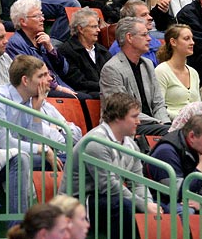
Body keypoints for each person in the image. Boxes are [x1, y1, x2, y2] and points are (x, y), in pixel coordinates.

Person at [0, 56, 64, 217]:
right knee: (21, 159)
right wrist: (42, 149)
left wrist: (36, 112)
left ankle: (65, 217)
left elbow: (34, 141)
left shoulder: (28, 101)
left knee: (67, 157)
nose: (47, 80)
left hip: (8, 158)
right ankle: (19, 227)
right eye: (41, 76)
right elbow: (3, 143)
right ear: (25, 80)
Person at [61, 93, 159, 239]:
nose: (138, 121)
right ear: (118, 117)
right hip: (77, 201)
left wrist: (148, 204)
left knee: (163, 208)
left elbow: (138, 182)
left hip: (102, 198)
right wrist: (142, 205)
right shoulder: (96, 142)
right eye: (134, 116)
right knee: (122, 206)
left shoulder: (131, 145)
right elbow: (108, 186)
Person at [148, 115, 202, 215]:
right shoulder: (166, 151)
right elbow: (177, 193)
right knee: (186, 211)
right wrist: (201, 169)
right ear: (192, 136)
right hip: (165, 202)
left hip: (201, 199)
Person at [100, 17, 171, 135]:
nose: (149, 39)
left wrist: (166, 123)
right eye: (144, 35)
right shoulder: (112, 69)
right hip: (123, 126)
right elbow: (122, 110)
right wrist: (158, 123)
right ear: (129, 37)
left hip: (153, 125)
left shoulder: (147, 64)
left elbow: (158, 103)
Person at [6, 0, 80, 98]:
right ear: (23, 21)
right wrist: (58, 88)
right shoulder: (15, 44)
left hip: (58, 86)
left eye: (42, 15)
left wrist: (51, 49)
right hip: (40, 91)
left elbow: (64, 70)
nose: (42, 19)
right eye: (37, 16)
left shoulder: (42, 40)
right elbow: (30, 75)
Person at [58, 7, 112, 98]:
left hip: (106, 91)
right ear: (81, 29)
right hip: (88, 95)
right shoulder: (67, 51)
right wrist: (106, 87)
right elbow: (78, 82)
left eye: (98, 26)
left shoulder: (102, 51)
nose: (98, 30)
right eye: (94, 27)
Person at [155, 24, 201, 120]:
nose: (192, 42)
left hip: (194, 125)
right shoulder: (161, 71)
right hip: (171, 124)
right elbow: (159, 108)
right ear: (173, 42)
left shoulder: (193, 72)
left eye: (192, 38)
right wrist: (182, 117)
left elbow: (198, 105)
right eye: (186, 38)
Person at [109, 0, 163, 65]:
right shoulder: (120, 48)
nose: (150, 18)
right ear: (131, 19)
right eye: (144, 15)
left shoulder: (153, 40)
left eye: (148, 14)